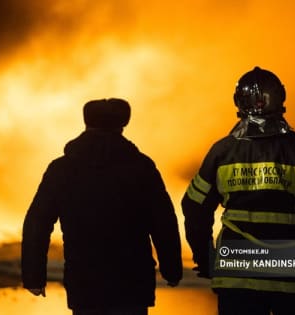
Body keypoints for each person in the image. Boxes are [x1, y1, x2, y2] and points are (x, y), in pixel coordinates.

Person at [182, 67, 295, 315]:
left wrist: (206, 257)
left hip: (236, 278)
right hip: (291, 275)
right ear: (280, 98)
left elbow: (194, 206)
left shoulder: (222, 152)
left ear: (238, 102)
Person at [22, 98, 183, 315]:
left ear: (86, 122)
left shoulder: (62, 169)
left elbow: (37, 223)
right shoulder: (141, 167)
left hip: (85, 285)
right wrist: (172, 270)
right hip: (132, 284)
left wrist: (34, 275)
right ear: (122, 125)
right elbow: (164, 222)